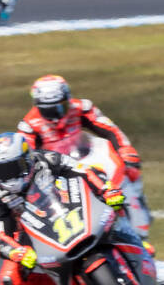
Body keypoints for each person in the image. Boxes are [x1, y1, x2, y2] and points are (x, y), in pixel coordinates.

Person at [0, 131, 136, 285]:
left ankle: (130, 237)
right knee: (10, 282)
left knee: (111, 195)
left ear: (26, 159)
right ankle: (64, 284)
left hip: (67, 204)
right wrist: (17, 252)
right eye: (1, 171)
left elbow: (81, 169)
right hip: (31, 231)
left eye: (13, 168)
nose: (9, 176)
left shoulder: (44, 159)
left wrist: (106, 189)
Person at [17, 73, 148, 224]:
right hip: (59, 171)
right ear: (38, 106)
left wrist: (125, 150)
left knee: (130, 166)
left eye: (62, 107)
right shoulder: (28, 126)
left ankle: (138, 213)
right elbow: (27, 160)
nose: (57, 116)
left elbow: (111, 130)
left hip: (87, 157)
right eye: (49, 110)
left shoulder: (82, 107)